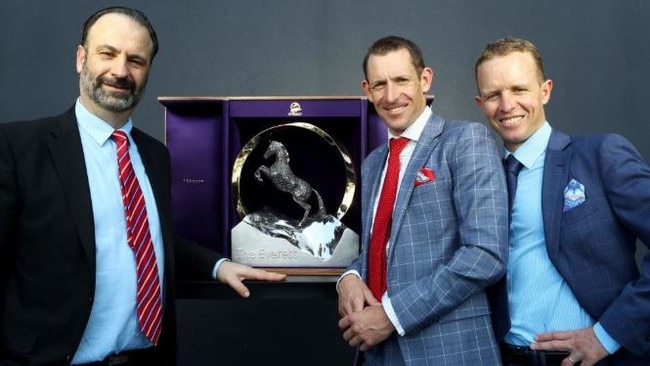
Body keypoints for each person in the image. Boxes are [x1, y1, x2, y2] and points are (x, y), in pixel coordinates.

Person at [0, 6, 285, 365]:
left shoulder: (155, 155)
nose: (120, 71)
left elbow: (149, 237)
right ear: (80, 58)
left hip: (146, 358)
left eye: (136, 60)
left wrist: (217, 266)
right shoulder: (17, 147)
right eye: (108, 53)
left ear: (148, 71)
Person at [475, 37, 650, 365]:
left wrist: (607, 335)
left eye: (519, 89)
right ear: (479, 103)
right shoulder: (481, 181)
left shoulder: (599, 156)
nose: (507, 104)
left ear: (545, 90)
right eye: (493, 95)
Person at [336, 35, 509, 365]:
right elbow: (380, 249)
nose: (391, 96)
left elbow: (485, 255)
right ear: (366, 89)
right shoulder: (373, 164)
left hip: (447, 352)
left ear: (425, 79)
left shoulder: (465, 141)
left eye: (401, 80)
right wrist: (349, 278)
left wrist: (391, 315)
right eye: (379, 84)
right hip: (375, 351)